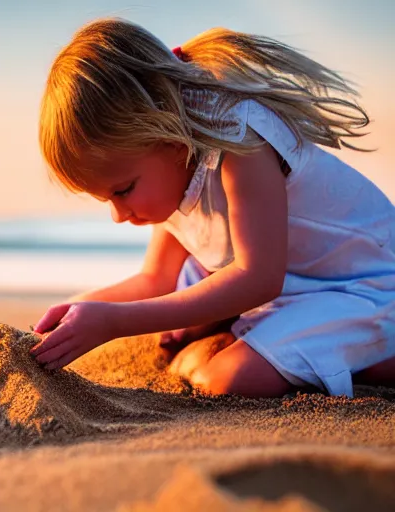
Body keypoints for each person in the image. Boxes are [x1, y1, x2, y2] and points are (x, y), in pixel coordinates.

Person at [30, 17, 395, 398]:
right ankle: (250, 337)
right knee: (173, 330)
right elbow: (156, 280)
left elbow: (257, 277)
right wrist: (67, 314)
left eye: (123, 190)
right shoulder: (172, 158)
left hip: (359, 286)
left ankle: (375, 354)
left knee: (225, 379)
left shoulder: (240, 140)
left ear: (166, 134)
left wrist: (115, 322)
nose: (119, 214)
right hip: (289, 288)